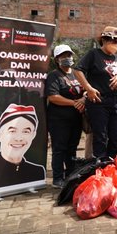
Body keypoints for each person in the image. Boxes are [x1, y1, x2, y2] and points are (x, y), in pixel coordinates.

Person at [74, 26, 117, 158]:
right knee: (100, 136)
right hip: (98, 101)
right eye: (113, 41)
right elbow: (78, 70)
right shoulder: (94, 54)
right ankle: (101, 165)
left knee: (116, 135)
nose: (116, 44)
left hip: (115, 101)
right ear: (105, 40)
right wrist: (88, 88)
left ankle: (111, 163)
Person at [45, 44, 85, 188]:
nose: (67, 58)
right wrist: (74, 103)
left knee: (72, 148)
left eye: (69, 55)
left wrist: (83, 99)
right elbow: (53, 97)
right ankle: (57, 178)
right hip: (59, 120)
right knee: (59, 148)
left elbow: (85, 90)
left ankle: (70, 174)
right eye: (63, 56)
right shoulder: (53, 76)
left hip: (76, 119)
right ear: (57, 59)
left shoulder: (76, 73)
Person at [0, 104, 46, 190]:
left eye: (26, 131)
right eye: (12, 131)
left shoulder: (38, 172)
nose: (18, 138)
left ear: (33, 135)